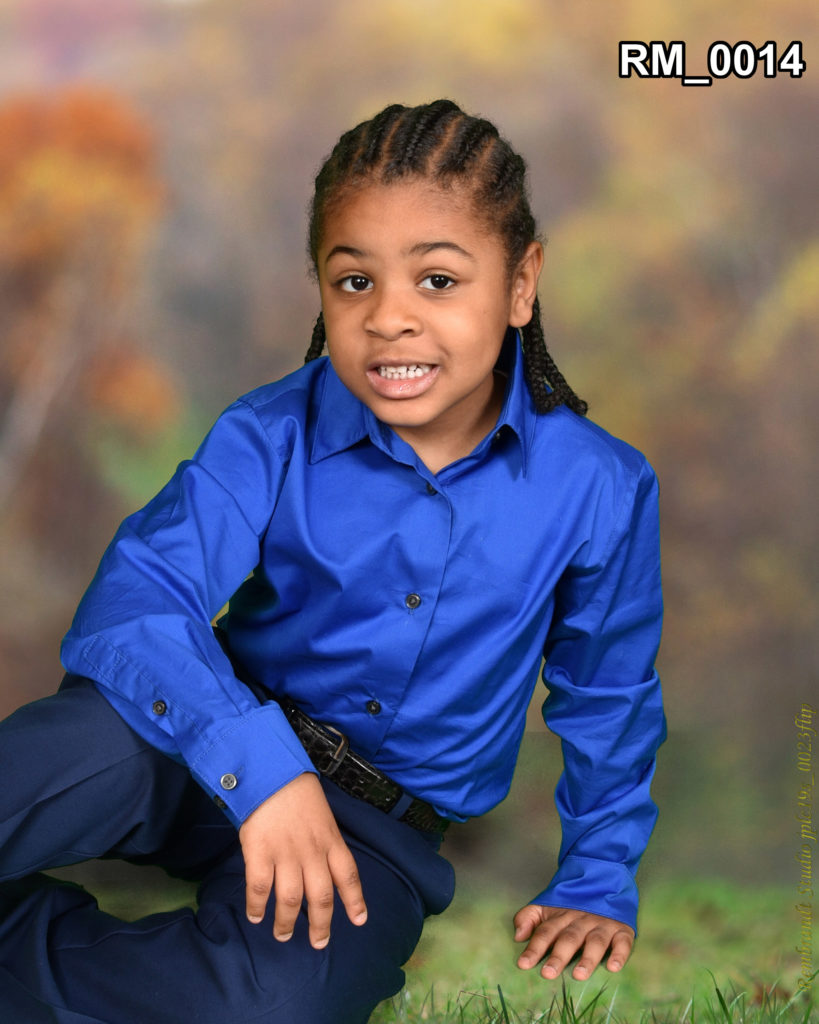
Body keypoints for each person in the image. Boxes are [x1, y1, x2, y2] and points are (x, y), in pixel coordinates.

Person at [0, 99, 666, 1023]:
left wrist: (595, 876)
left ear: (521, 285)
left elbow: (608, 695)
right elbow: (138, 600)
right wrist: (259, 764)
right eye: (354, 282)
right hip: (187, 736)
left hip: (371, 830)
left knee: (272, 1007)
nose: (389, 318)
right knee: (37, 767)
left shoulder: (601, 488)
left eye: (437, 280)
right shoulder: (268, 431)